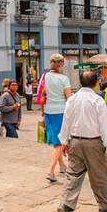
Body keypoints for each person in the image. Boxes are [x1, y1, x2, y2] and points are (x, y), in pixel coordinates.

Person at [56, 70, 107, 212]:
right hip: (93, 142)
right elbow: (105, 125)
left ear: (80, 82)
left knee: (73, 174)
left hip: (74, 141)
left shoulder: (72, 99)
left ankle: (66, 204)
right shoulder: (97, 100)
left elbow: (66, 121)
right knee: (99, 175)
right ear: (96, 83)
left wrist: (64, 141)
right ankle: (104, 206)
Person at [42, 54, 72, 183]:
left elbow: (42, 95)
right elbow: (69, 97)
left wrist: (42, 113)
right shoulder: (64, 79)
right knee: (59, 143)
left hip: (48, 111)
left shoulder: (45, 76)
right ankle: (50, 171)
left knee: (56, 140)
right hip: (61, 111)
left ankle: (62, 166)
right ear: (61, 65)